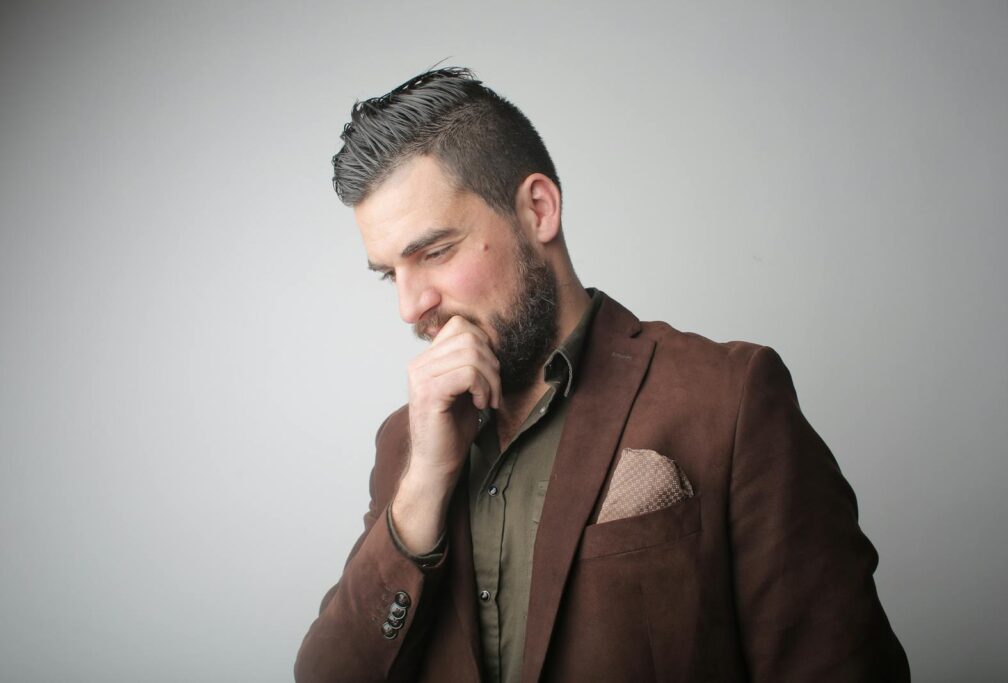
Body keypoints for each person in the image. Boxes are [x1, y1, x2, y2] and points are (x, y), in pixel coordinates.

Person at [294, 67, 910, 683]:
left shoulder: (729, 399)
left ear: (538, 209)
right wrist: (424, 484)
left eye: (434, 253)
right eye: (388, 274)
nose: (410, 306)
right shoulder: (406, 445)